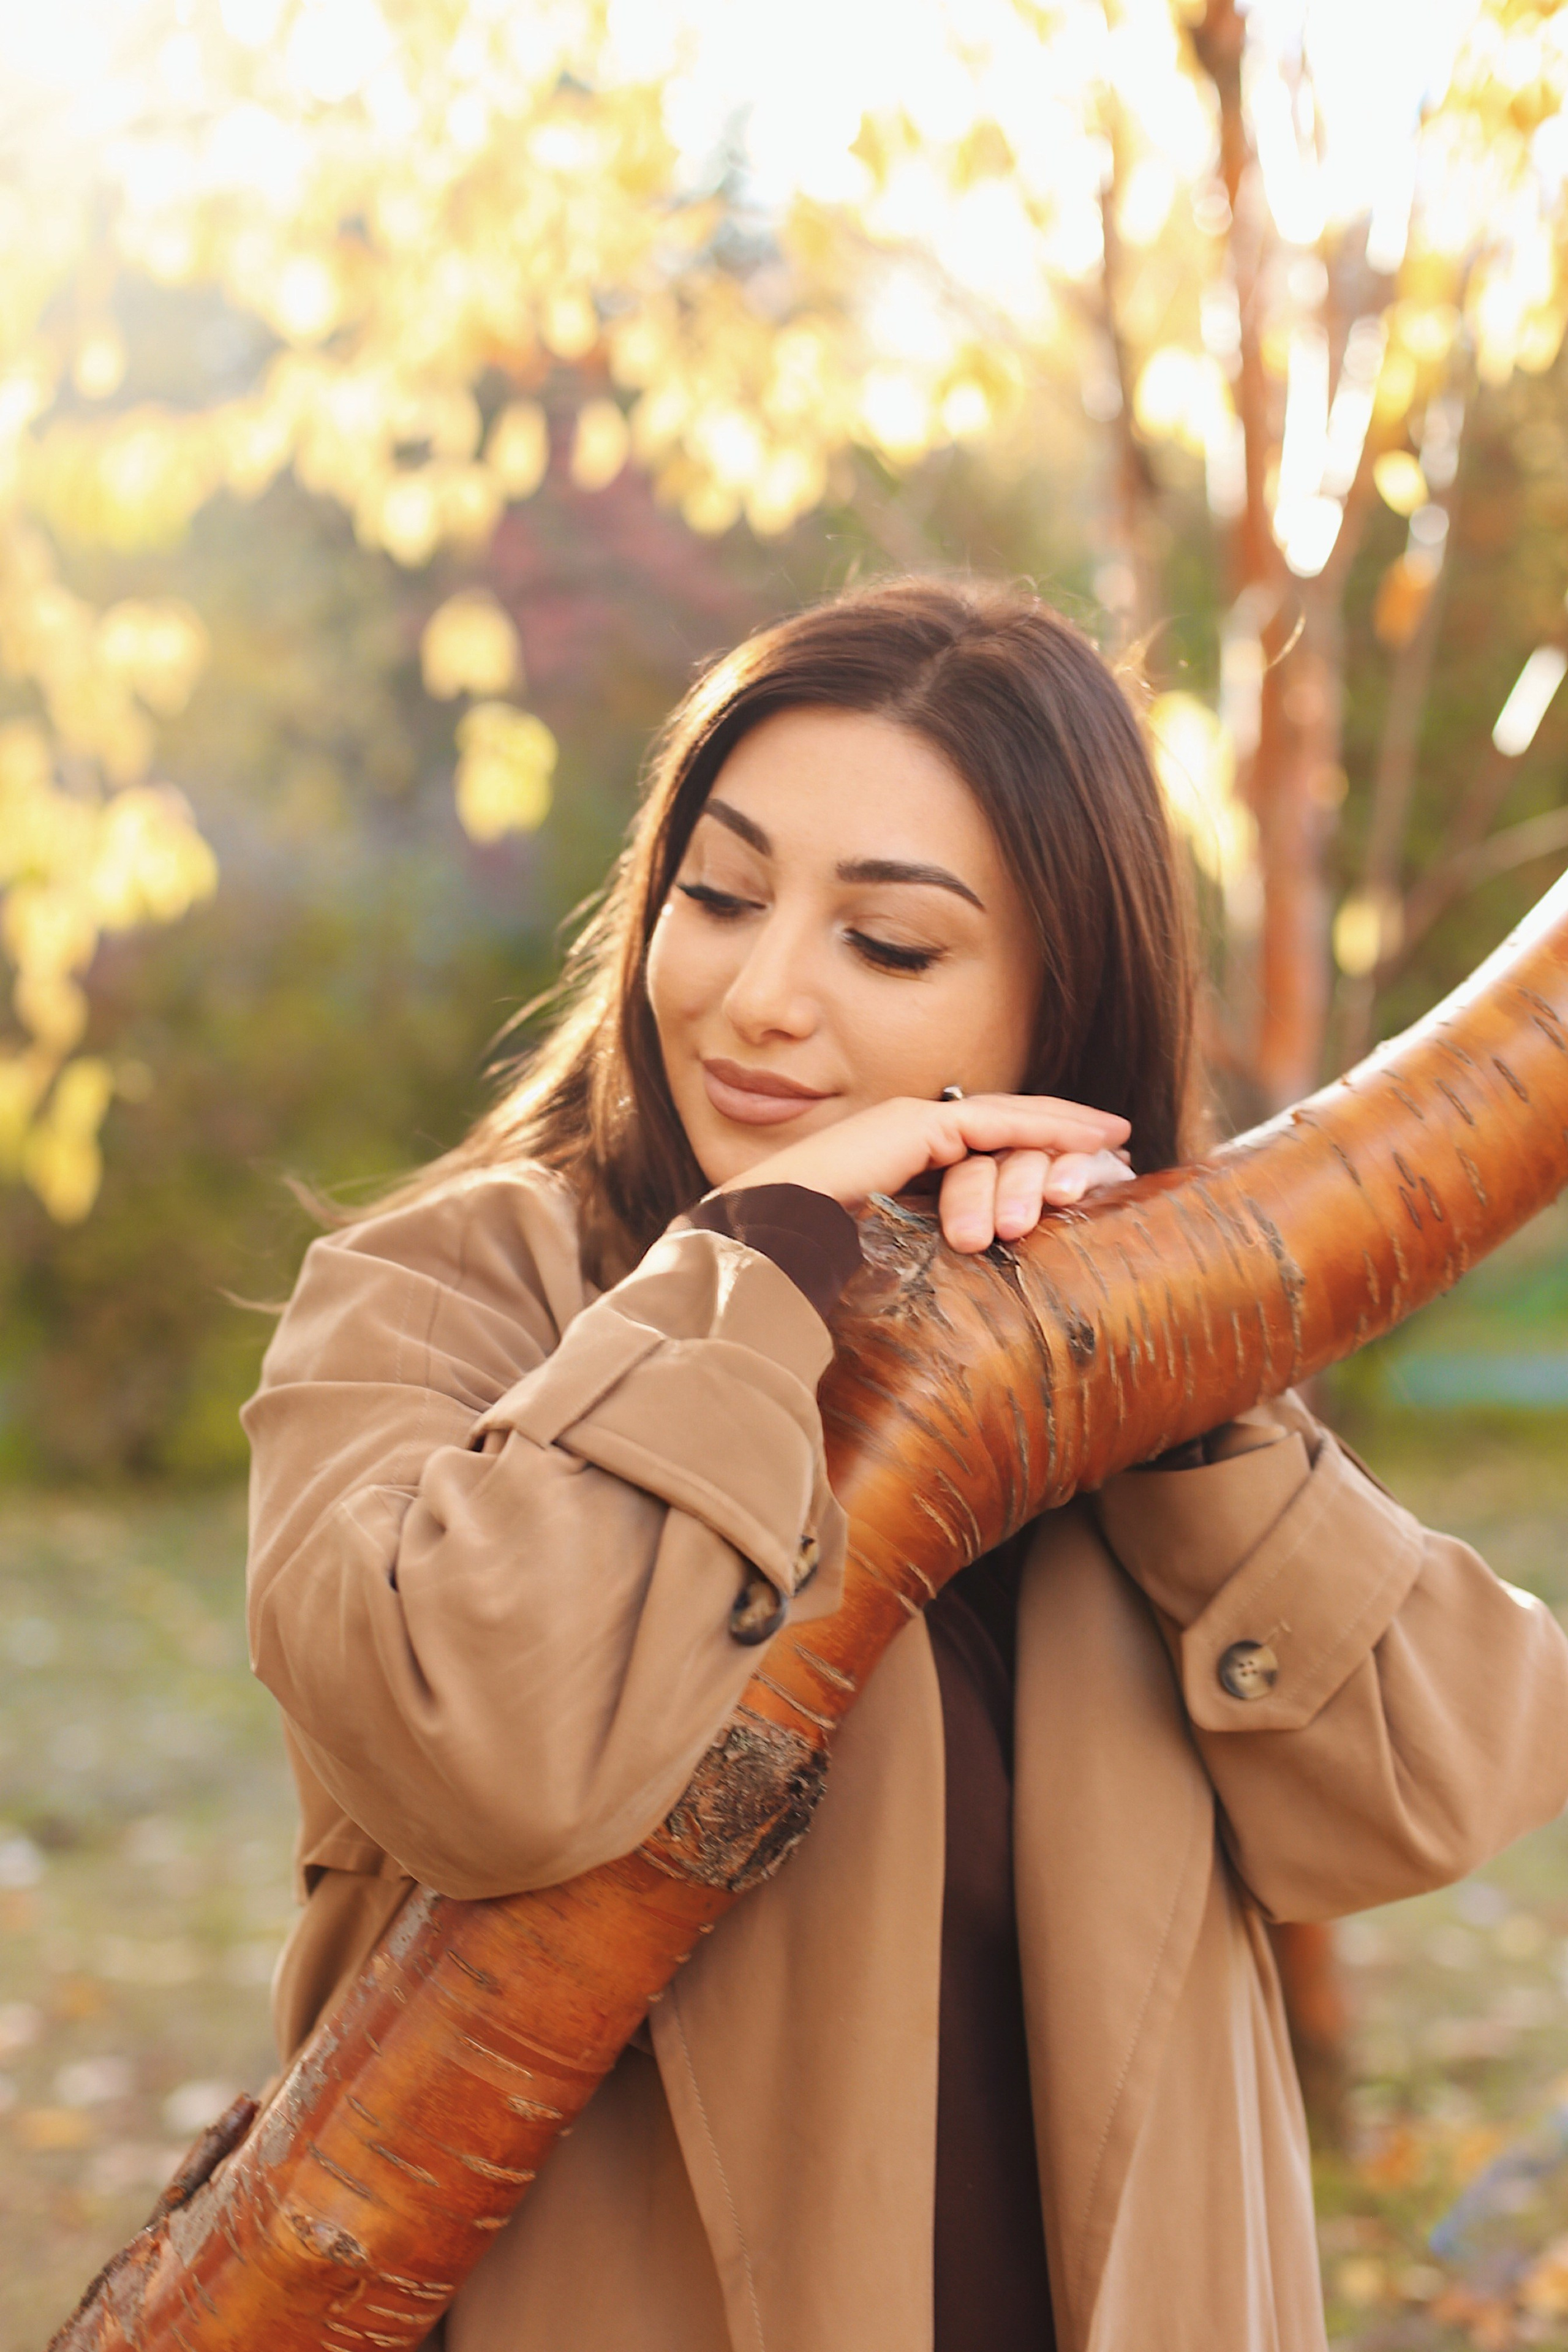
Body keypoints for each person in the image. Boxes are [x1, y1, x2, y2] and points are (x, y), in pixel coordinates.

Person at [243, 576, 1568, 2352]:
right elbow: (475, 1744)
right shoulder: (453, 1292)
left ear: (1055, 1008)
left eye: (889, 946)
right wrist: (754, 1272)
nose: (760, 996)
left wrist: (1175, 1393)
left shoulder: (1110, 1367)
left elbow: (1440, 1783)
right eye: (718, 896)